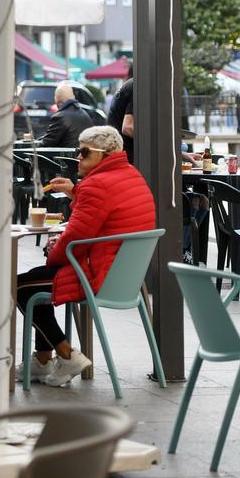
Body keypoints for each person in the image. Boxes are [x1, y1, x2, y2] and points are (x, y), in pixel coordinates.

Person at [16, 125, 155, 387]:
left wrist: (53, 252)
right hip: (126, 277)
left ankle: (66, 355)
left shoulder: (97, 185)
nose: (78, 157)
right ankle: (43, 360)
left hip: (98, 274)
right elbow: (105, 213)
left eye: (84, 152)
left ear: (104, 155)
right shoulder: (131, 175)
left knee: (21, 286)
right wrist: (75, 192)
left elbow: (74, 240)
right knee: (35, 280)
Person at [40, 82, 93, 148]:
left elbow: (46, 143)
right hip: (84, 156)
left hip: (67, 157)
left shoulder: (60, 117)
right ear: (73, 97)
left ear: (56, 100)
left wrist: (32, 143)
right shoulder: (84, 113)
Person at [106, 70, 135, 163]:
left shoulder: (130, 85)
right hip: (125, 152)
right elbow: (128, 128)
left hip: (116, 147)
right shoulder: (138, 87)